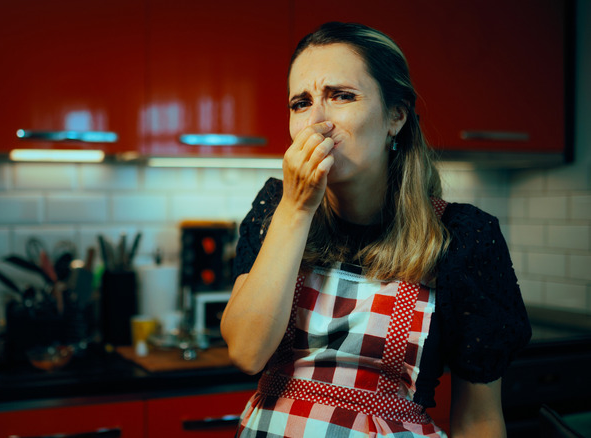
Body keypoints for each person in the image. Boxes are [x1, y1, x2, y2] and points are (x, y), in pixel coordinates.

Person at [221, 22, 531, 438]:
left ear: (396, 115)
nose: (316, 122)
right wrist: (296, 210)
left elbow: (479, 419)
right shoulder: (277, 209)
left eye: (342, 96)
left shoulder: (463, 236)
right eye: (300, 103)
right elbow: (246, 351)